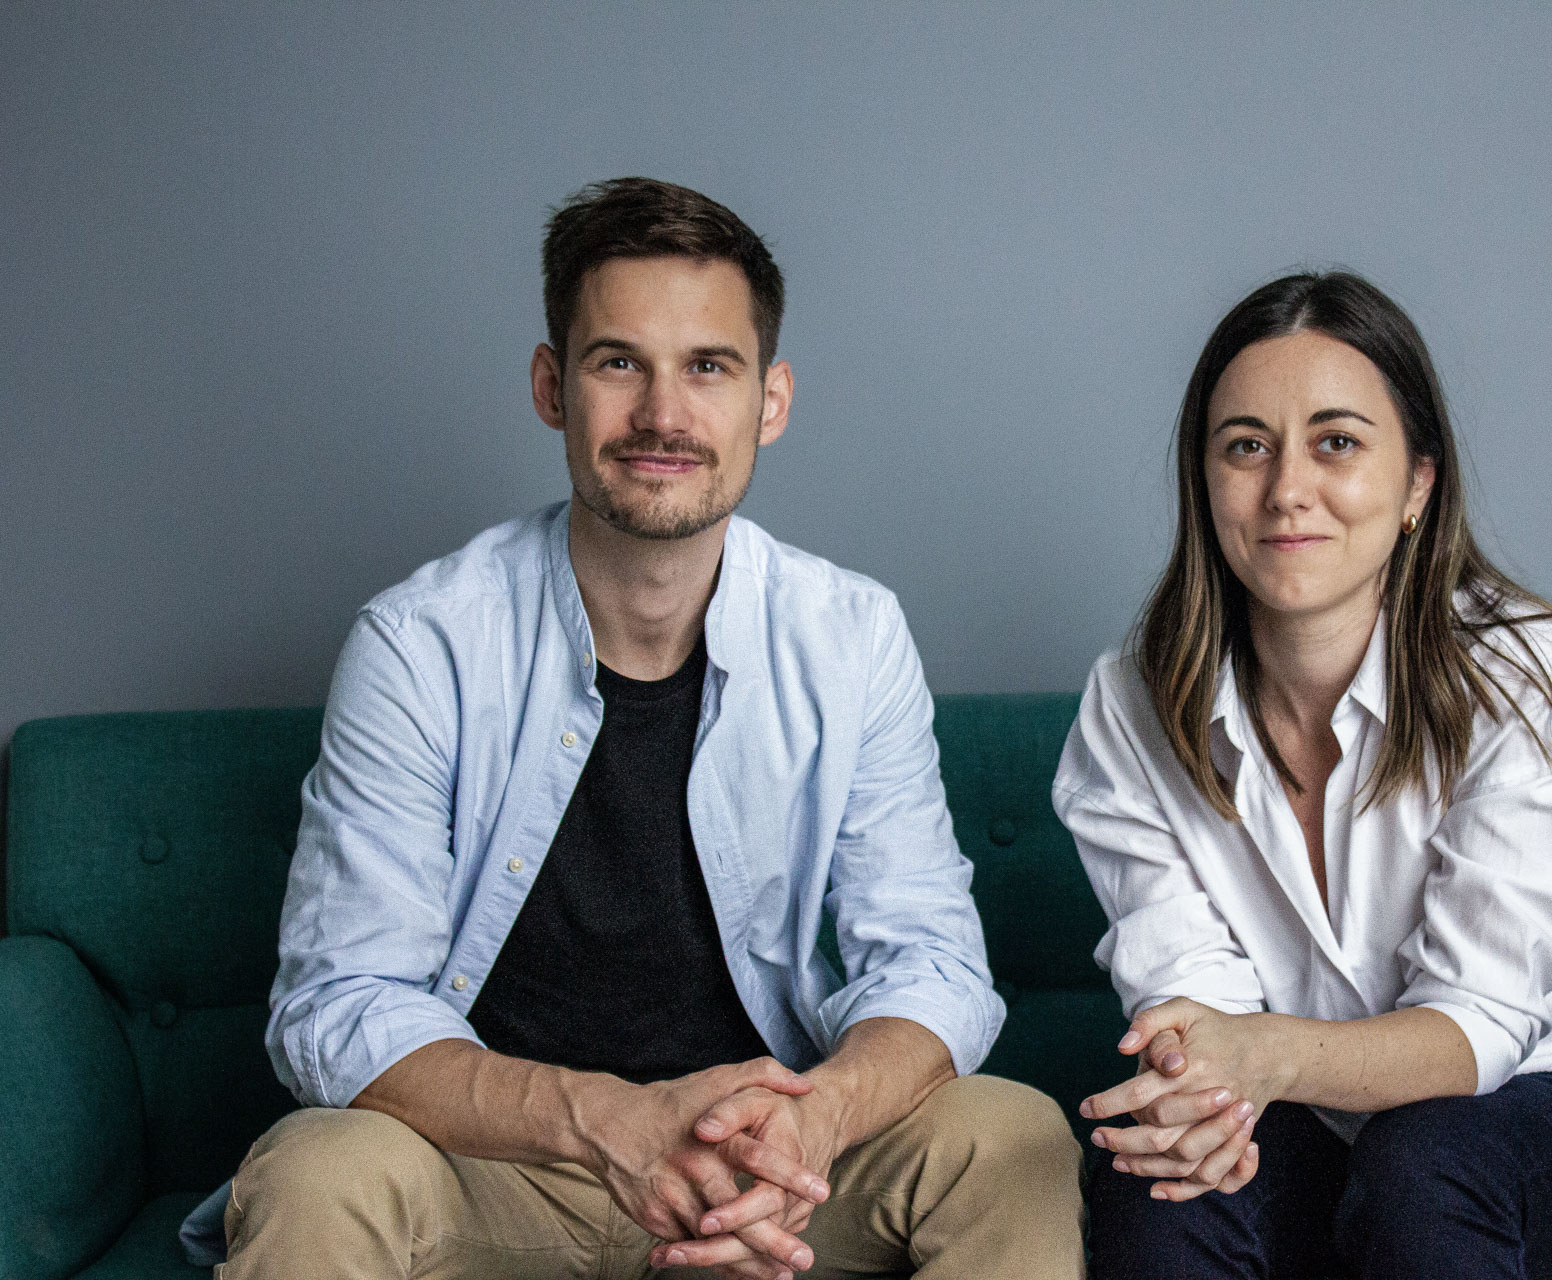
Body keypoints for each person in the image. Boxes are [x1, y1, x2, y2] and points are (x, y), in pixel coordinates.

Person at [199, 177, 1084, 1280]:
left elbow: (934, 963)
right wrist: (604, 1118)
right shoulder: (421, 642)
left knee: (1007, 1136)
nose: (664, 415)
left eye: (708, 366)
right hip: (502, 1165)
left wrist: (810, 1122)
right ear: (550, 386)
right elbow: (336, 1003)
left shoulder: (850, 636)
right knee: (313, 1170)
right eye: (620, 361)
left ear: (771, 399)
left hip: (775, 1168)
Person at [1053, 272, 1552, 1279]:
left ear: (1417, 482)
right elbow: (1196, 1009)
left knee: (1426, 1159)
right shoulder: (1130, 706)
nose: (1288, 486)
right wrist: (1200, 1087)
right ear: (1205, 483)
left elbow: (1479, 1030)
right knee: (1157, 1172)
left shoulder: (1523, 676)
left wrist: (1260, 1056)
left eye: (1336, 441)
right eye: (1246, 445)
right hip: (1326, 1126)